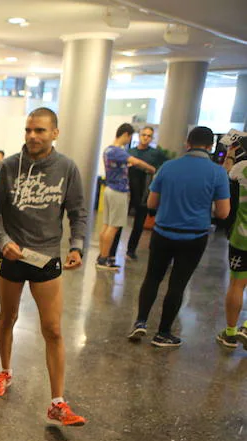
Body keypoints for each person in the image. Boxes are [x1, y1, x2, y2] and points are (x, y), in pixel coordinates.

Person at [0, 107, 88, 426]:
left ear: (55, 133)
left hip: (46, 257)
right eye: (29, 129)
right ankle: (5, 371)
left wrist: (76, 246)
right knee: (8, 317)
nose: (33, 135)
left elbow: (78, 212)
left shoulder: (67, 168)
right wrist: (3, 241)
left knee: (54, 329)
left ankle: (57, 402)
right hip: (12, 256)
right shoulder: (7, 167)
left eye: (40, 130)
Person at [128, 126, 230, 348]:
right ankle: (163, 333)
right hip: (193, 238)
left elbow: (152, 203)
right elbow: (223, 212)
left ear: (187, 143)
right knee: (177, 284)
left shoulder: (167, 167)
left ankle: (140, 322)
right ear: (210, 146)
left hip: (162, 233)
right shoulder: (217, 173)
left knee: (152, 277)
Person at [96, 123, 156, 270]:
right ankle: (103, 259)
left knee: (106, 225)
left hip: (110, 189)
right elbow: (136, 161)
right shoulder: (118, 151)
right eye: (130, 137)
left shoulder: (108, 150)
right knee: (114, 226)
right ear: (126, 135)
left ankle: (102, 255)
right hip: (118, 192)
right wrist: (151, 168)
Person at [109, 126, 167, 261]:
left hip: (144, 191)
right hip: (127, 190)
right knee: (119, 221)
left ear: (151, 138)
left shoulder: (155, 154)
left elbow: (164, 167)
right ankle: (112, 251)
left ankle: (131, 250)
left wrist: (155, 174)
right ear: (139, 136)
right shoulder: (130, 151)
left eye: (148, 136)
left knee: (139, 223)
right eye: (143, 135)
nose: (145, 137)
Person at [218, 144, 247, 348]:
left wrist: (230, 154)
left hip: (242, 237)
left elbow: (224, 176)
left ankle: (230, 333)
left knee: (236, 284)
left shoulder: (242, 167)